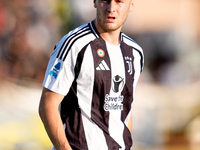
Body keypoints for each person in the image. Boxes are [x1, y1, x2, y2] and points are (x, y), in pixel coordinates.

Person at [39, 0, 144, 150]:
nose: (111, 8)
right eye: (106, 1)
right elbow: (47, 104)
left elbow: (125, 108)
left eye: (119, 1)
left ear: (131, 5)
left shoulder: (135, 53)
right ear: (95, 2)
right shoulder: (74, 44)